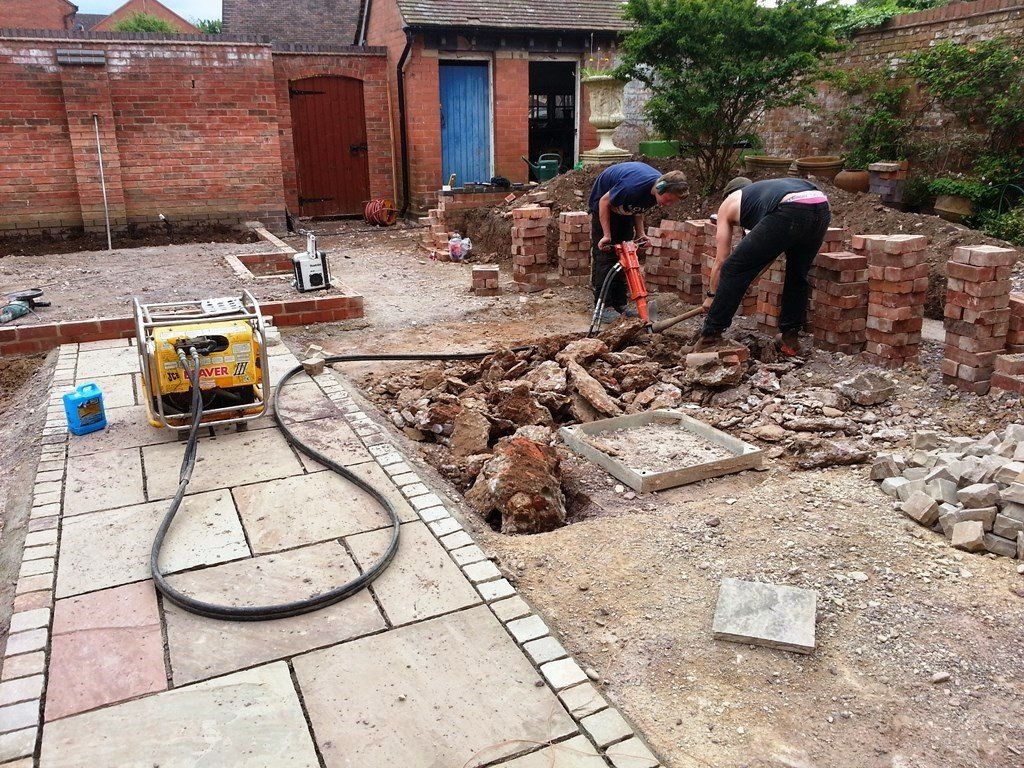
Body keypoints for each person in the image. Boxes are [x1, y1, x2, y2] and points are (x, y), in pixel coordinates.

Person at [696, 176, 831, 355]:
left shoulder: (727, 204)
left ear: (728, 195)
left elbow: (723, 262)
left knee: (732, 268)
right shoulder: (760, 199)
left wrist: (712, 296)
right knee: (797, 274)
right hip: (820, 206)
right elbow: (765, 256)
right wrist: (748, 280)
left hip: (789, 208)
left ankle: (710, 335)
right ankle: (790, 338)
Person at [588, 162, 689, 322]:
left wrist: (641, 233)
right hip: (603, 205)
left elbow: (637, 208)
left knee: (625, 256)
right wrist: (606, 235)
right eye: (668, 199)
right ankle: (604, 307)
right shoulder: (631, 187)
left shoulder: (655, 193)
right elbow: (604, 201)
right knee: (606, 257)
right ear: (661, 188)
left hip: (622, 210)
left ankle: (619, 304)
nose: (668, 204)